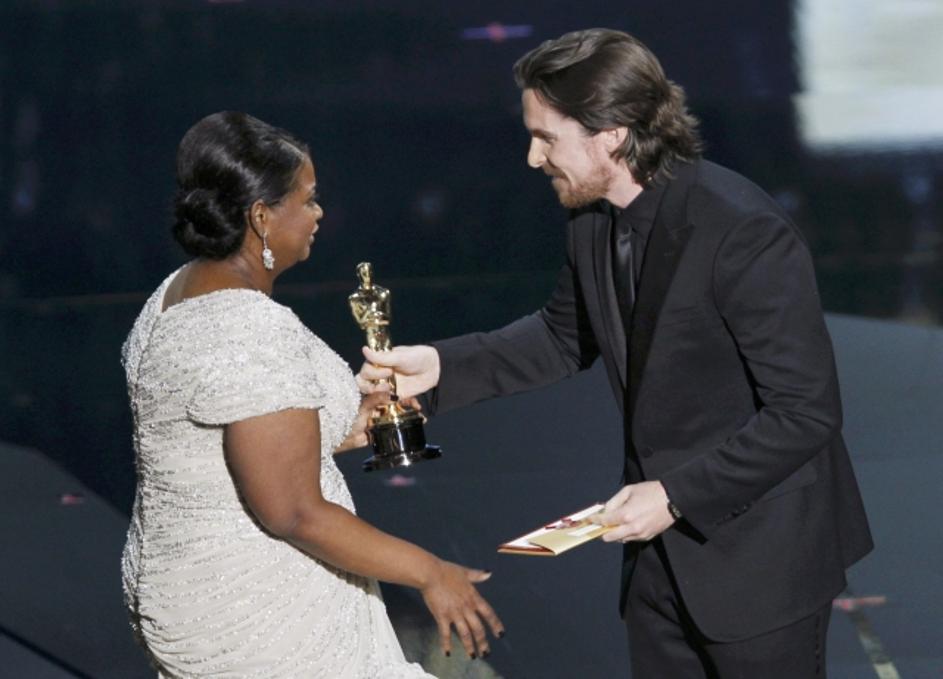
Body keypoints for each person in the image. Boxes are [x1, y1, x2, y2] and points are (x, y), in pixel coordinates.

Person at [358, 29, 873, 678]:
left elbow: (805, 411)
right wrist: (439, 367)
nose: (532, 158)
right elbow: (561, 336)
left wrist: (676, 495)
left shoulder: (742, 230)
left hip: (761, 558)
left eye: (546, 137)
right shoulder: (592, 218)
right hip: (655, 561)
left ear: (611, 134)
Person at [120, 111, 503, 678]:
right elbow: (293, 511)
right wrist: (429, 572)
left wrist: (356, 422)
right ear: (260, 216)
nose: (319, 213)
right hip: (262, 608)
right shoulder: (249, 326)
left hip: (186, 585)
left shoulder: (173, 296)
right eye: (308, 199)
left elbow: (238, 450)